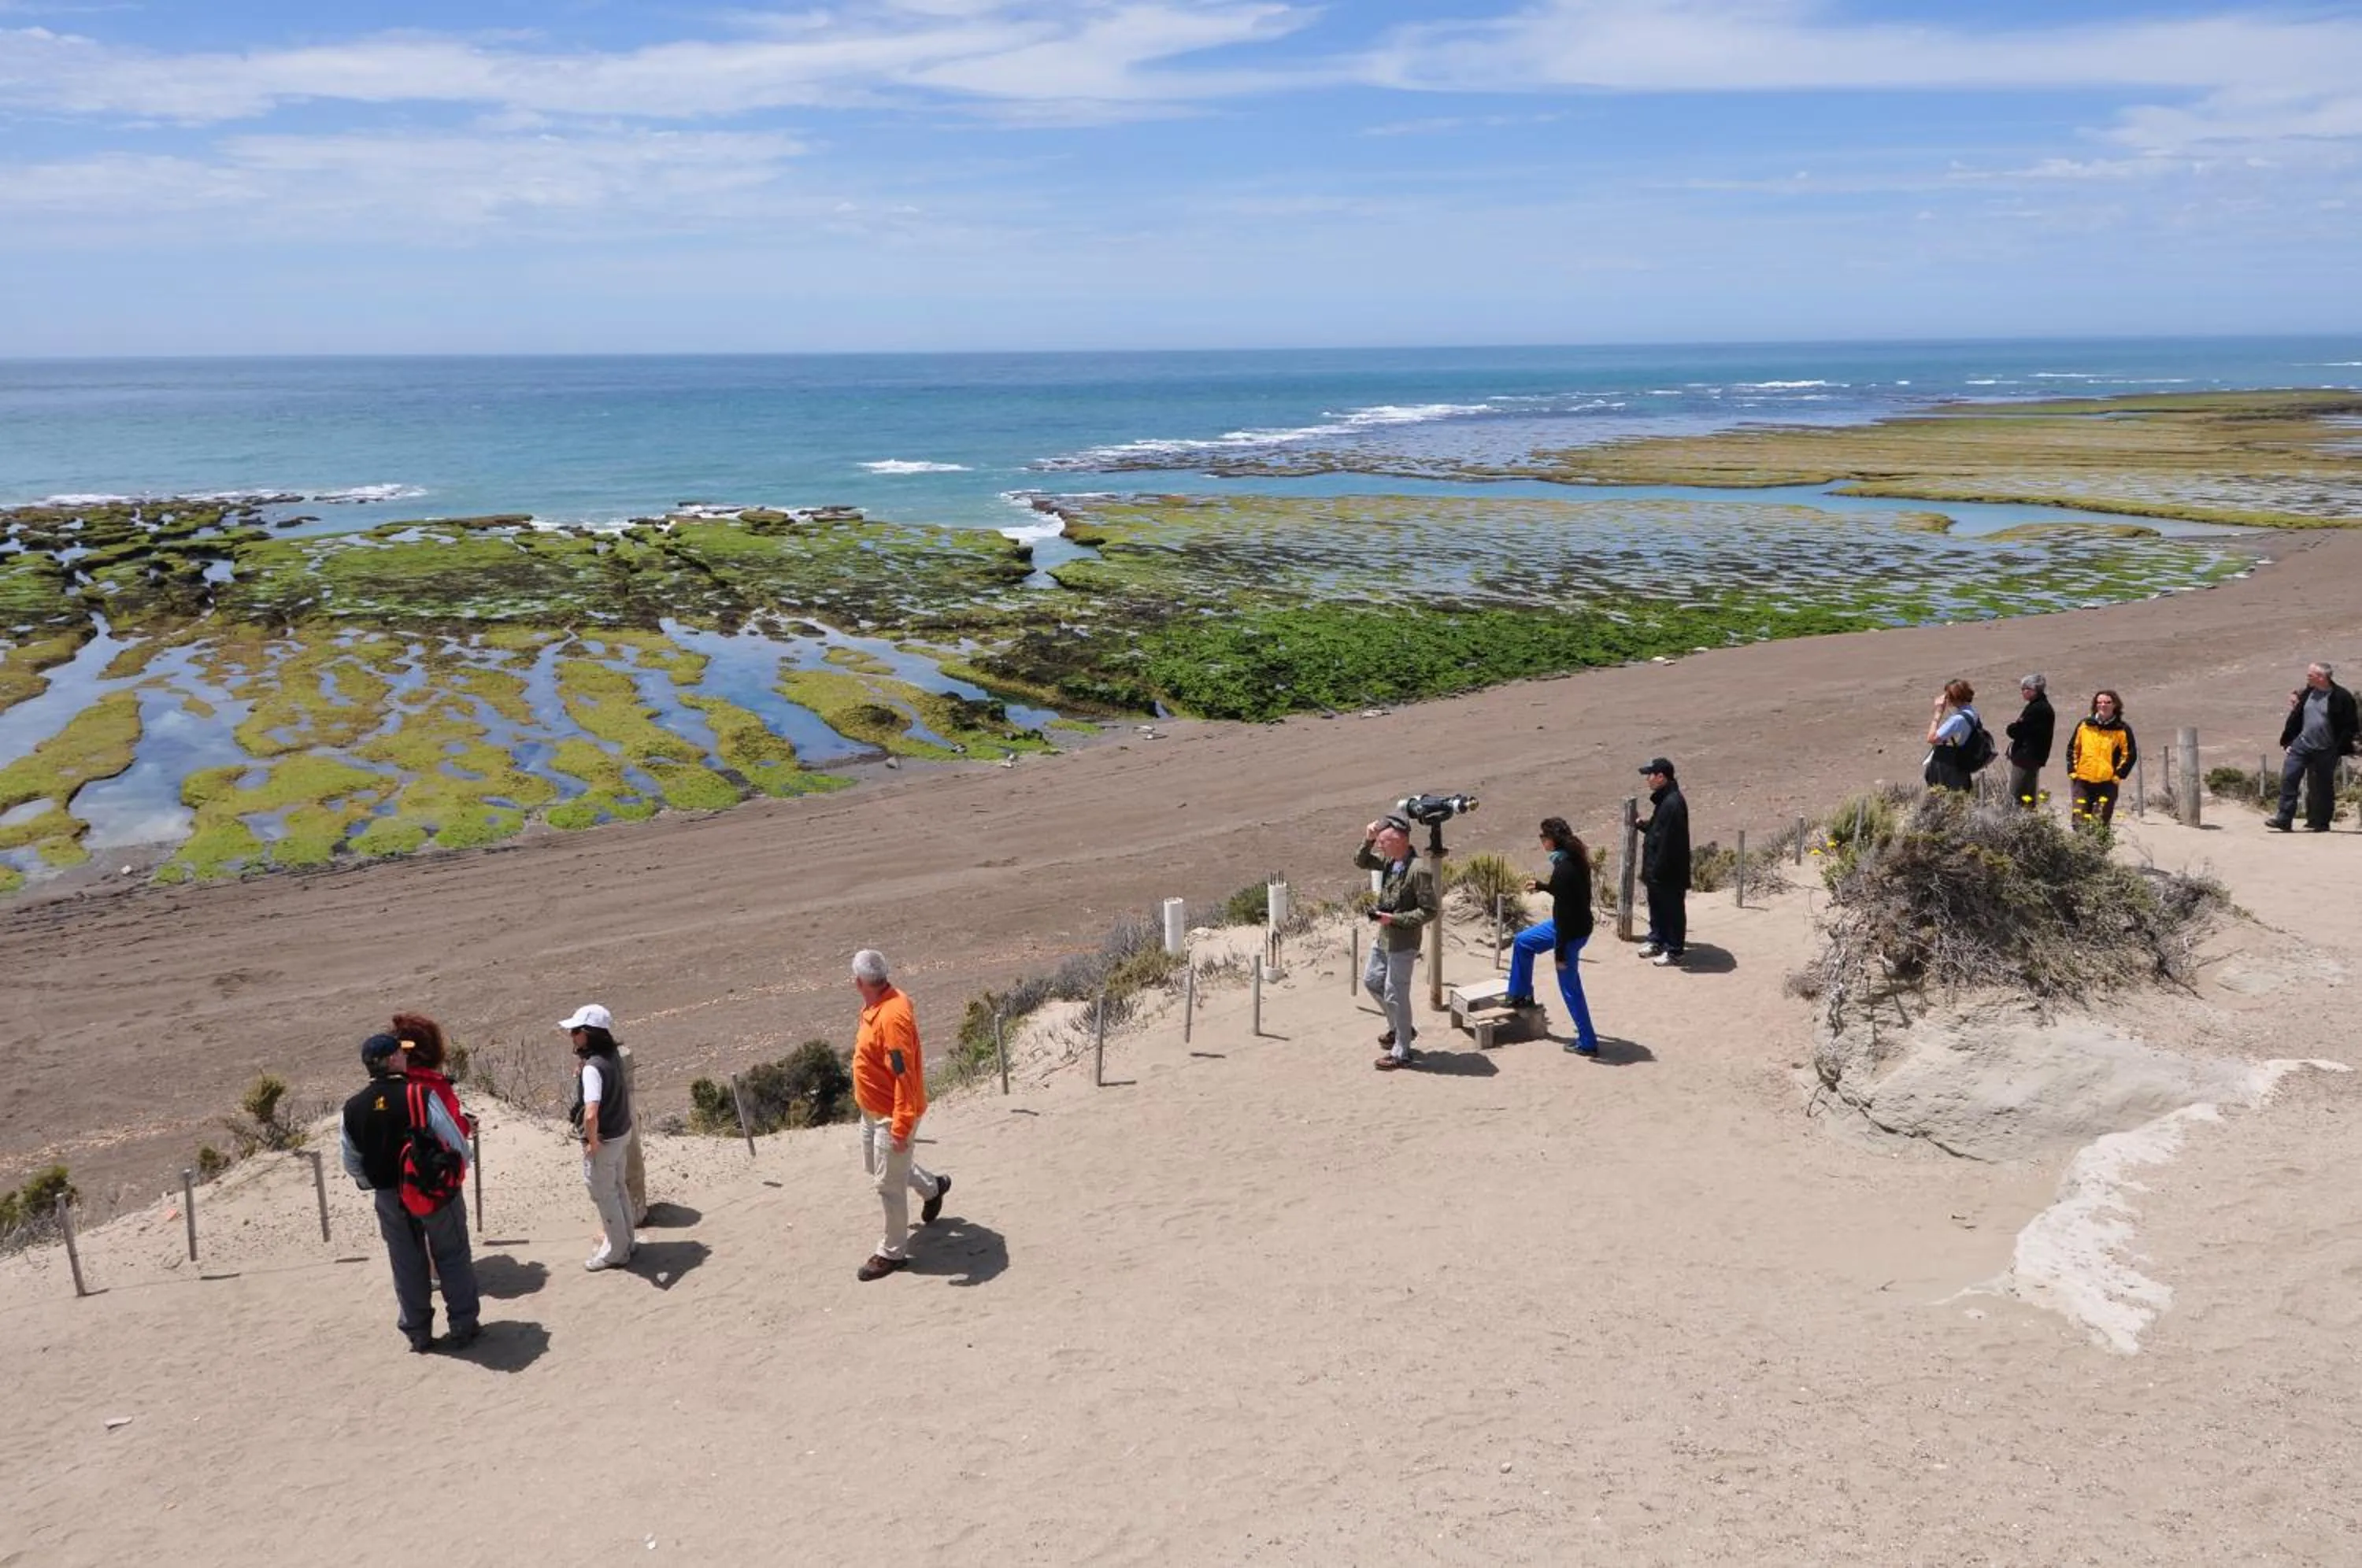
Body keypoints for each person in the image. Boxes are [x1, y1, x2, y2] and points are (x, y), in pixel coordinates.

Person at [340, 1031, 481, 1354]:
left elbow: (351, 1160)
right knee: (452, 1254)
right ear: (392, 1059)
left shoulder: (352, 1108)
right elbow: (454, 1139)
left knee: (405, 1262)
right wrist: (458, 1171)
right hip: (433, 1192)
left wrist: (371, 1184)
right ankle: (463, 1326)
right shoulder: (420, 1095)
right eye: (400, 1053)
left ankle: (418, 1334)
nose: (406, 1057)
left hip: (388, 1196)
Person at [850, 949, 950, 1281]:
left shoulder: (892, 1018)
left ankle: (891, 1253)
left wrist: (901, 1125)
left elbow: (904, 1077)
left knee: (888, 1186)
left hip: (891, 1116)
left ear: (859, 981)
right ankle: (932, 1187)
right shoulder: (880, 1002)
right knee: (875, 1167)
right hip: (872, 1110)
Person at [1502, 816, 1601, 1056]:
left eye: (1542, 837)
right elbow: (1565, 893)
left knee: (1570, 988)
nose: (1541, 842)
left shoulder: (1565, 868)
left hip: (1568, 933)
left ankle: (1588, 1042)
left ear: (1551, 840)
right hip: (1568, 926)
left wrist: (1560, 952)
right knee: (1523, 942)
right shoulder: (1571, 859)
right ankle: (1520, 994)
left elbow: (1566, 911)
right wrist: (1543, 886)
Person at [1355, 810, 1438, 1071]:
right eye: (1379, 841)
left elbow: (1430, 910)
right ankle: (1399, 1027)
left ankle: (1402, 1051)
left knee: (1395, 993)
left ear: (1400, 838)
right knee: (1371, 981)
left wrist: (1395, 920)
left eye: (1384, 841)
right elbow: (1361, 861)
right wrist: (1367, 839)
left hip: (1402, 942)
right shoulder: (1392, 862)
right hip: (1384, 937)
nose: (1380, 845)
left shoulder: (1417, 870)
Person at [561, 1003, 636, 1273]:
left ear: (589, 1033)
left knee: (605, 1194)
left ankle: (617, 1252)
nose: (572, 1036)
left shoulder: (594, 1068)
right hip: (621, 1134)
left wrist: (592, 1144)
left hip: (604, 1140)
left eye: (575, 1031)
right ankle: (628, 1241)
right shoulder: (612, 1054)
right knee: (618, 1188)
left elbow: (591, 1114)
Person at [2269, 661, 2358, 832]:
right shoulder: (2309, 692)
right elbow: (2296, 717)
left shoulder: (2342, 697)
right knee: (2289, 777)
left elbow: (2350, 726)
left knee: (2322, 786)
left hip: (2327, 748)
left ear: (2321, 677)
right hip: (2302, 744)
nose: (2307, 677)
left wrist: (2338, 748)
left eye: (2310, 675)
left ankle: (2320, 822)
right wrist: (2288, 741)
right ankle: (2284, 819)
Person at [1638, 759, 1691, 968]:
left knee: (1673, 911)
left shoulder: (1673, 803)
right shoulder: (1665, 800)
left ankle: (1675, 951)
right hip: (1657, 871)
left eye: (1650, 775)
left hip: (1668, 872)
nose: (1647, 780)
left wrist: (1659, 872)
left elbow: (1671, 843)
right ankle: (1657, 941)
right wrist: (1642, 825)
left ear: (1661, 777)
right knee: (1657, 907)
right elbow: (1659, 830)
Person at [2066, 690, 2138, 827]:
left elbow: (2129, 755)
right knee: (2079, 821)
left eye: (2107, 702)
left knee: (2101, 823)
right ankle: (2081, 848)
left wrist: (2118, 776)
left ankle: (2100, 849)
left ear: (2115, 705)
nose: (2103, 705)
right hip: (2082, 781)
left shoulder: (2121, 729)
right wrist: (2073, 772)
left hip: (2107, 783)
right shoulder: (2085, 725)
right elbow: (2072, 749)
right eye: (2099, 702)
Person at [1923, 679, 1984, 793]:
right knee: (1960, 793)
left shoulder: (1957, 720)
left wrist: (1938, 713)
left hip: (1947, 763)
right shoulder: (1972, 712)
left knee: (1943, 795)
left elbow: (1931, 738)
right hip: (1961, 759)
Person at [2005, 673, 2056, 808]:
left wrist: (2012, 728)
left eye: (2024, 689)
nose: (2022, 692)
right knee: (2027, 797)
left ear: (2033, 690)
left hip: (2026, 758)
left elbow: (2019, 731)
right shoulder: (2039, 706)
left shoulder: (2038, 709)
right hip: (2031, 758)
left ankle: (2016, 825)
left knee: (2016, 796)